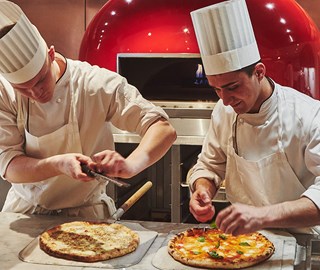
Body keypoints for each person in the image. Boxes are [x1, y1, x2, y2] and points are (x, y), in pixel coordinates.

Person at [0, 1, 176, 219]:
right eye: (23, 89)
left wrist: (131, 165)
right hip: (24, 213)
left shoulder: (94, 84)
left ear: (51, 54)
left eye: (40, 80)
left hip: (85, 214)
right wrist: (58, 164)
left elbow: (162, 128)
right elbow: (9, 166)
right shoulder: (4, 92)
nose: (36, 93)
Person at [188, 0, 320, 235]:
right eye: (216, 89)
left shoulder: (308, 115)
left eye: (232, 87)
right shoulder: (224, 110)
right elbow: (210, 164)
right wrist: (203, 189)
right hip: (244, 241)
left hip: (304, 240)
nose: (226, 100)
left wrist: (262, 215)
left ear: (259, 72)